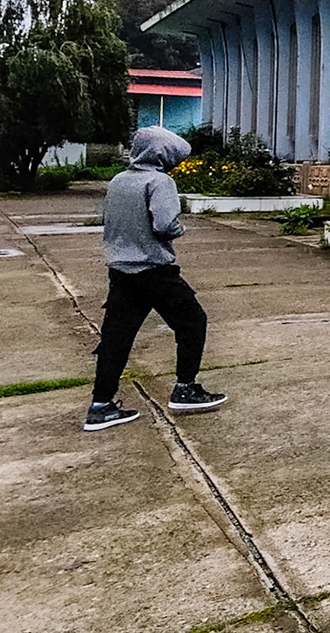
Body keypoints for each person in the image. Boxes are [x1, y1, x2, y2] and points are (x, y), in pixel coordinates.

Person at [84, 126, 227, 432]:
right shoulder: (160, 182)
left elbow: (109, 221)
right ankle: (185, 389)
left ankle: (100, 405)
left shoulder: (119, 181)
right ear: (163, 154)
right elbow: (165, 225)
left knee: (116, 338)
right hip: (154, 270)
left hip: (120, 270)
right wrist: (179, 228)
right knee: (192, 322)